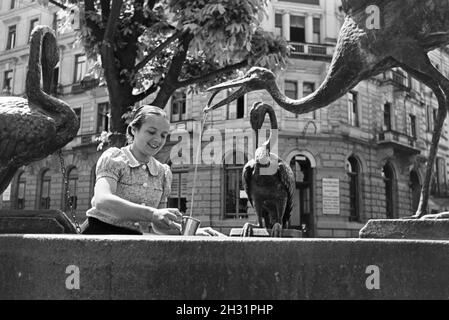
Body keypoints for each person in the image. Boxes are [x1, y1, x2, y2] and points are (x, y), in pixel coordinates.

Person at [82, 105, 223, 236]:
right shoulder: (115, 158)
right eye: (151, 132)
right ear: (133, 130)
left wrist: (187, 232)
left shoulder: (163, 172)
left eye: (163, 135)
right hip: (97, 235)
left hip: (134, 242)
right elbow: (101, 201)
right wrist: (152, 214)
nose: (158, 139)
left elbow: (158, 225)